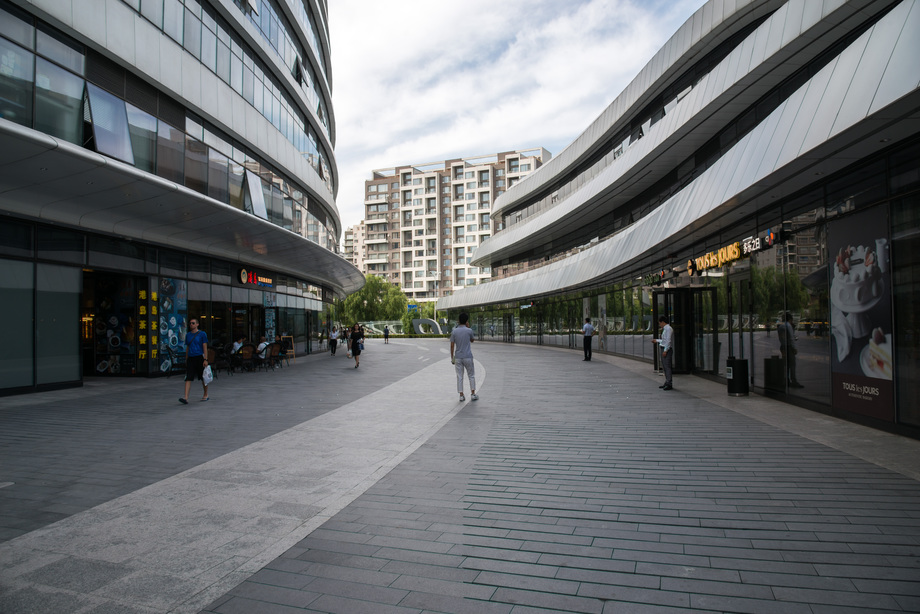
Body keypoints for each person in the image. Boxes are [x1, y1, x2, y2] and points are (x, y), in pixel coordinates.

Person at [179, 318, 209, 404]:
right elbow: (187, 347)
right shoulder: (188, 335)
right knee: (188, 377)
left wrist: (205, 359)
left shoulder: (202, 334)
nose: (191, 325)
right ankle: (186, 397)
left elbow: (204, 347)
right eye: (190, 323)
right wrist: (186, 358)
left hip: (199, 357)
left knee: (203, 377)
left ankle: (205, 394)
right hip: (191, 358)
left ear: (197, 324)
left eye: (193, 323)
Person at [450, 313, 478, 402]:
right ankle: (473, 394)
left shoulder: (454, 331)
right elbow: (472, 340)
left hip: (458, 357)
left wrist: (452, 357)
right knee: (471, 375)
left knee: (459, 376)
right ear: (466, 321)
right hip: (468, 356)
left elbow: (452, 345)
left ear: (459, 320)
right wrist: (468, 327)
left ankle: (461, 395)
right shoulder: (469, 330)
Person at [778, 312, 803, 388]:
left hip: (783, 346)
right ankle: (793, 380)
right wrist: (794, 348)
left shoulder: (781, 326)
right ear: (790, 319)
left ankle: (786, 380)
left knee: (785, 364)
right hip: (789, 347)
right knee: (792, 364)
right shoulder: (788, 326)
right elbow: (792, 338)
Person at [652, 316, 673, 390]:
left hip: (666, 349)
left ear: (663, 322)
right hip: (663, 347)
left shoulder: (668, 329)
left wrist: (665, 350)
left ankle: (669, 383)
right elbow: (664, 340)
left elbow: (668, 341)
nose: (660, 325)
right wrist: (657, 340)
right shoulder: (665, 329)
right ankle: (667, 381)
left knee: (667, 366)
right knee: (665, 366)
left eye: (660, 323)